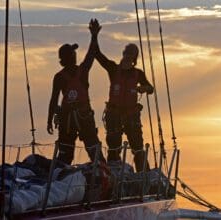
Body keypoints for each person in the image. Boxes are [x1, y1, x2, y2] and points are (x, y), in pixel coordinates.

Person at [94, 22, 154, 172]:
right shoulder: (113, 69)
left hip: (131, 114)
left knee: (137, 147)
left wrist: (143, 88)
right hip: (114, 114)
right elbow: (98, 56)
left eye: (131, 54)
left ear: (134, 58)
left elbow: (151, 89)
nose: (128, 57)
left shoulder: (138, 74)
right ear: (123, 54)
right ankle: (112, 173)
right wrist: (94, 36)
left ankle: (143, 174)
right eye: (127, 53)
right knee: (114, 146)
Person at [47, 19, 105, 165]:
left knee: (65, 155)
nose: (75, 54)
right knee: (94, 150)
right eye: (73, 53)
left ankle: (58, 177)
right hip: (83, 115)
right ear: (71, 57)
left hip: (66, 118)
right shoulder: (83, 70)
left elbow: (54, 101)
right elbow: (91, 54)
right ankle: (104, 175)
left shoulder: (59, 77)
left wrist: (49, 120)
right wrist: (94, 35)